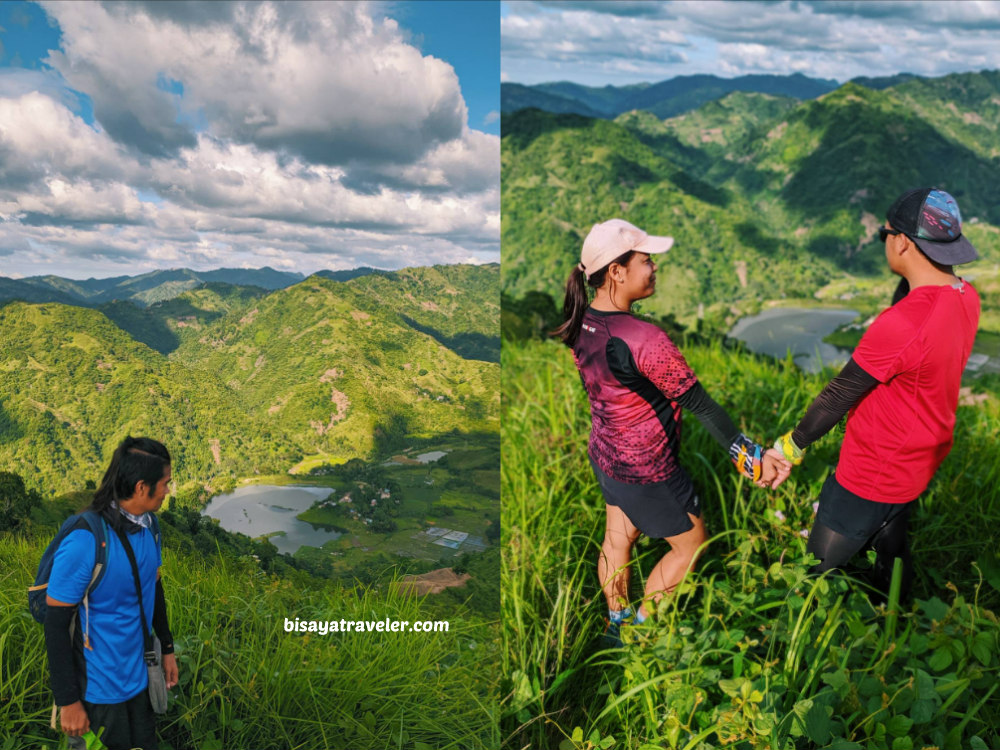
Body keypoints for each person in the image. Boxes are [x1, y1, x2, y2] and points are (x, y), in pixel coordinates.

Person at [555, 219, 790, 643]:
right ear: (617, 271)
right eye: (647, 260)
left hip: (607, 456)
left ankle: (617, 623)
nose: (654, 268)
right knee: (691, 544)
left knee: (617, 539)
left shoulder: (584, 321)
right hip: (648, 469)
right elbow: (699, 404)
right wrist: (749, 455)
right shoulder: (644, 338)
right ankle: (643, 633)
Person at [772, 187, 980, 601]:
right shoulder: (966, 297)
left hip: (873, 467)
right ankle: (896, 625)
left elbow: (837, 396)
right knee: (891, 546)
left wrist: (789, 448)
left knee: (813, 574)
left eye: (885, 233)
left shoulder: (902, 324)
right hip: (919, 457)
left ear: (902, 241)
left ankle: (795, 639)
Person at [44, 437, 179, 750]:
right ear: (141, 487)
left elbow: (153, 587)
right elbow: (55, 624)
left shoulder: (151, 527)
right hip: (98, 691)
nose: (168, 491)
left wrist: (167, 648)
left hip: (141, 678)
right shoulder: (86, 541)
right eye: (165, 483)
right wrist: (69, 703)